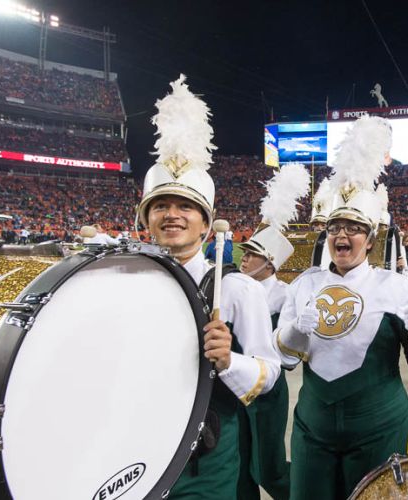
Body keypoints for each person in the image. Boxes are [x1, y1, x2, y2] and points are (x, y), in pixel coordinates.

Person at [274, 116, 408, 499]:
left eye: (353, 228)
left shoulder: (395, 286)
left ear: (371, 238)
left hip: (378, 429)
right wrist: (296, 330)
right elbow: (284, 357)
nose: (342, 235)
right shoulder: (304, 284)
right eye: (334, 228)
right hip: (312, 428)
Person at [137, 75, 281, 499]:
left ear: (205, 223)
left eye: (186, 206)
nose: (172, 214)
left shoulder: (236, 289)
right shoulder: (129, 282)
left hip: (206, 460)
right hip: (137, 449)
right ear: (146, 219)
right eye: (160, 206)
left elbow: (269, 372)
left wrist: (228, 360)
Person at [235, 163, 311, 500]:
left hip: (267, 391)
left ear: (269, 263)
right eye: (245, 253)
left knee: (268, 469)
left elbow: (287, 356)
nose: (244, 259)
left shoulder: (284, 295)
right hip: (233, 385)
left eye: (252, 255)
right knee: (238, 467)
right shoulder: (233, 287)